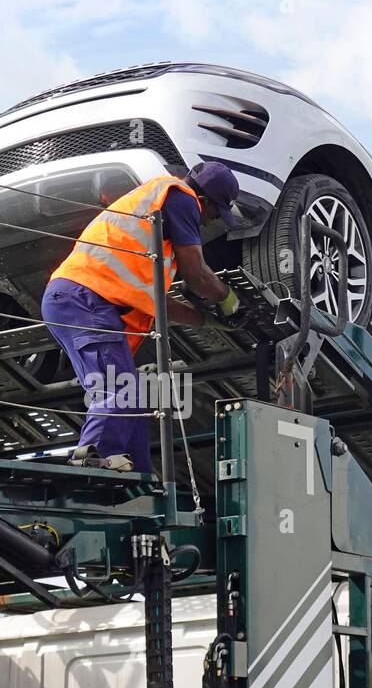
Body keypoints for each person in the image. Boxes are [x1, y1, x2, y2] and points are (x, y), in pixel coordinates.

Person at [41, 161, 242, 472]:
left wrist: (204, 320)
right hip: (87, 299)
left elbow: (157, 303)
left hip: (78, 299)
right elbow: (198, 275)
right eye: (213, 214)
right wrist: (226, 297)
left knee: (129, 396)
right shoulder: (180, 197)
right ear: (204, 201)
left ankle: (141, 481)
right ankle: (93, 462)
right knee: (118, 389)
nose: (206, 224)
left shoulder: (151, 224)